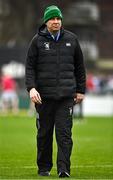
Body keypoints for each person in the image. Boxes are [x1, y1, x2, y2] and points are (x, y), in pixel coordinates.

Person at [25, 5, 86, 178]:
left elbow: (80, 68)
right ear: (46, 21)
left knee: (64, 135)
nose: (56, 21)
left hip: (66, 97)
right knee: (43, 135)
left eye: (58, 19)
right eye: (52, 19)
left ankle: (63, 169)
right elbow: (29, 68)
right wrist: (31, 88)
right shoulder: (36, 41)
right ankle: (44, 168)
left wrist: (80, 90)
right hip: (43, 98)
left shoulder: (72, 40)